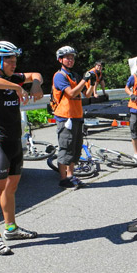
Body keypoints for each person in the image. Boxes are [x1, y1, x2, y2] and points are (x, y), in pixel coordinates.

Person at [0, 41, 44, 255]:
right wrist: (17, 87)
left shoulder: (13, 76)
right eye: (9, 61)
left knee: (11, 187)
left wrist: (35, 84)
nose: (14, 65)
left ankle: (11, 228)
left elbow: (35, 73)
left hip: (15, 140)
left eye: (15, 61)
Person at [52, 46, 89, 189]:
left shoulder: (75, 75)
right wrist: (84, 80)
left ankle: (70, 176)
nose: (71, 60)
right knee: (65, 148)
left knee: (75, 148)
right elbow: (71, 93)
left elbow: (88, 94)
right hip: (65, 117)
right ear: (60, 59)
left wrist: (93, 80)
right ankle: (63, 179)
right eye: (67, 58)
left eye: (72, 58)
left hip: (77, 116)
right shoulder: (59, 76)